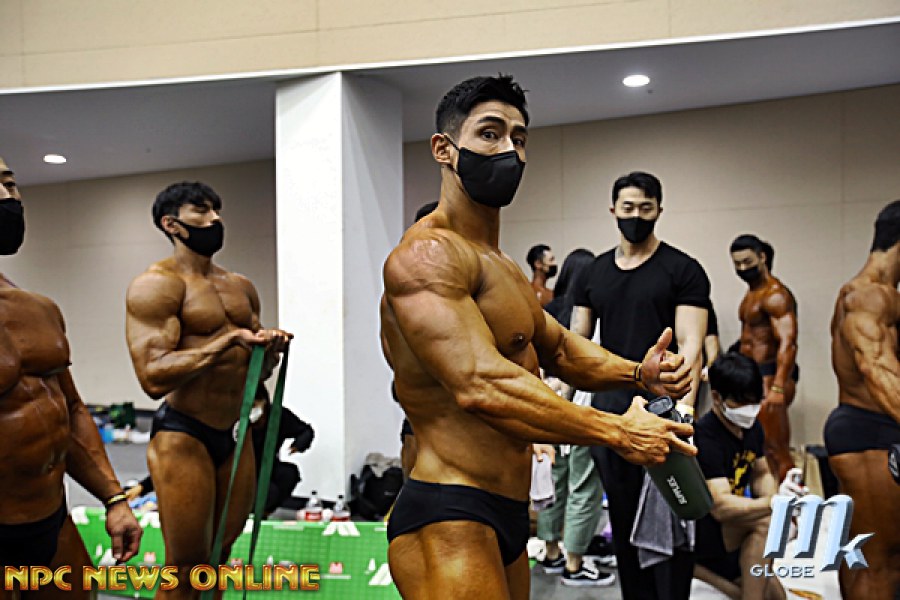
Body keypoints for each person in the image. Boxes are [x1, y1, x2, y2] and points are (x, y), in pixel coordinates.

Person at [380, 75, 695, 600]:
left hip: (507, 507)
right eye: (489, 134)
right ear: (444, 149)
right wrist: (617, 430)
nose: (509, 150)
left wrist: (638, 374)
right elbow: (480, 384)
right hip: (451, 507)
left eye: (519, 138)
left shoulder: (501, 265)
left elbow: (562, 348)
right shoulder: (427, 256)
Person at [125, 181, 291, 598]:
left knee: (218, 559)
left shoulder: (241, 286)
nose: (215, 218)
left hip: (235, 432)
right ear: (172, 224)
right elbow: (152, 377)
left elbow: (256, 371)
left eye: (216, 209)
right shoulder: (157, 285)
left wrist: (269, 351)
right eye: (201, 210)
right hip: (186, 432)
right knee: (184, 566)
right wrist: (225, 342)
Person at [0, 156, 142, 581]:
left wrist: (114, 498)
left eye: (10, 184)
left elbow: (71, 409)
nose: (7, 197)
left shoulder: (39, 308)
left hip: (50, 516)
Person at [570, 170, 710, 600]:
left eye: (645, 208)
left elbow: (691, 344)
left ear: (659, 211)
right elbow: (574, 344)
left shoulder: (682, 269)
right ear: (613, 209)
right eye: (628, 207)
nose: (636, 216)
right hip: (611, 415)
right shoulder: (593, 272)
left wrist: (684, 411)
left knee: (673, 520)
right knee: (624, 521)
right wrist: (560, 401)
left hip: (663, 415)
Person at [826, 199, 900, 600]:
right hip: (871, 433)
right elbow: (875, 368)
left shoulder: (871, 295)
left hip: (870, 429)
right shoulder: (869, 296)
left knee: (864, 556)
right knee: (880, 559)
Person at [536, 249, 616, 586]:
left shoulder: (549, 310)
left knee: (554, 481)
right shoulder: (594, 315)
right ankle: (574, 563)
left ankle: (551, 551)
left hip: (549, 407)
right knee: (584, 485)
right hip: (583, 405)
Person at [694, 352, 796, 600]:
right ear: (717, 397)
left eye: (755, 401)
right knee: (765, 524)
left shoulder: (752, 428)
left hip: (734, 530)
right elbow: (720, 507)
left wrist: (777, 496)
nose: (750, 410)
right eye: (741, 403)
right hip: (709, 530)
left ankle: (707, 574)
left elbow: (761, 472)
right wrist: (772, 505)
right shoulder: (705, 437)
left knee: (778, 598)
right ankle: (699, 566)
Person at [730, 234, 799, 482]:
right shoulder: (753, 294)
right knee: (758, 451)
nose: (742, 268)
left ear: (762, 257)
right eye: (737, 264)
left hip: (770, 379)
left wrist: (778, 387)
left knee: (775, 449)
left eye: (747, 262)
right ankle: (770, 502)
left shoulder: (775, 295)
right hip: (754, 379)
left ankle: (794, 504)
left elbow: (788, 343)